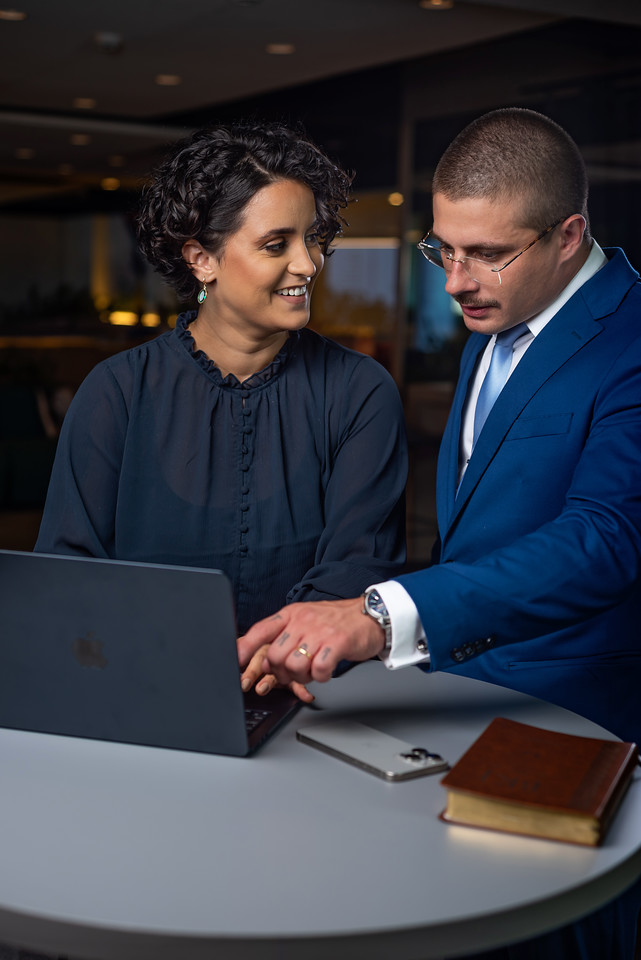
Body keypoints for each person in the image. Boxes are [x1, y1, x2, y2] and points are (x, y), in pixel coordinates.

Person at [239, 108, 641, 959]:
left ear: (568, 236)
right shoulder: (494, 318)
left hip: (579, 729)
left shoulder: (632, 338)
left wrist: (381, 615)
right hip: (463, 709)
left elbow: (604, 539)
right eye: (442, 250)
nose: (456, 282)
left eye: (486, 253)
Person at [35, 119, 407, 700]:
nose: (308, 264)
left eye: (312, 238)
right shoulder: (115, 393)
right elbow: (68, 573)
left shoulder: (361, 391)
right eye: (276, 244)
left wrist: (279, 655)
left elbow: (359, 567)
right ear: (201, 259)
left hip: (314, 696)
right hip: (139, 692)